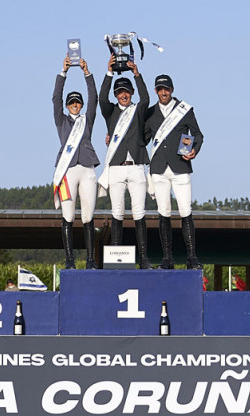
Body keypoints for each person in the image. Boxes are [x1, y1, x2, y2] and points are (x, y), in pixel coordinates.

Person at [143, 74, 204, 269]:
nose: (163, 92)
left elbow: (197, 134)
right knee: (164, 213)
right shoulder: (150, 113)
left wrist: (194, 149)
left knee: (186, 212)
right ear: (155, 91)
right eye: (160, 89)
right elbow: (142, 139)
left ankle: (191, 257)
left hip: (180, 166)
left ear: (172, 89)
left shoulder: (184, 110)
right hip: (159, 169)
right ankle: (167, 258)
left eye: (166, 89)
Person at [98, 55, 151, 268]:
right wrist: (109, 72)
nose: (123, 95)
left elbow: (146, 99)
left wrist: (137, 74)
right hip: (117, 168)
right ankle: (115, 257)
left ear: (131, 93)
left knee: (139, 213)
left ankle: (145, 258)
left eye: (126, 92)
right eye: (120, 93)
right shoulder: (110, 112)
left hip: (137, 166)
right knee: (117, 212)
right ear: (116, 95)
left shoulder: (138, 110)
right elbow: (101, 99)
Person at [53, 56, 99, 269]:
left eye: (77, 102)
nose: (74, 105)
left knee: (88, 215)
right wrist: (63, 73)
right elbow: (55, 98)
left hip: (87, 168)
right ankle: (69, 259)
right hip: (68, 171)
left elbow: (94, 99)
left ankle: (90, 260)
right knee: (68, 215)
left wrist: (86, 73)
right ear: (67, 106)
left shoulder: (86, 119)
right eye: (71, 103)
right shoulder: (61, 121)